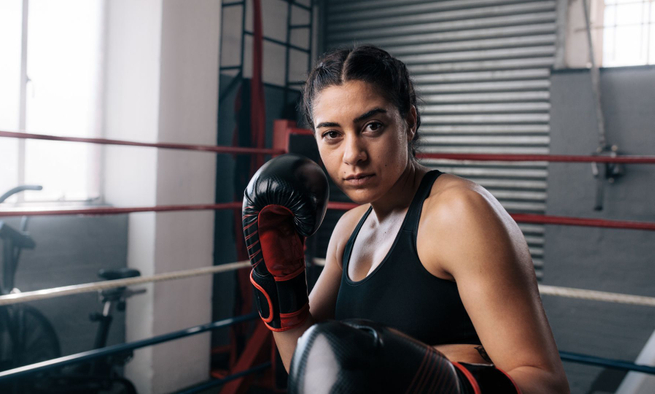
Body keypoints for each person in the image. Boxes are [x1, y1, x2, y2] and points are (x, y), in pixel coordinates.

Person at [242, 45, 569, 393]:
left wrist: (440, 383)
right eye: (332, 134)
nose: (353, 154)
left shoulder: (458, 214)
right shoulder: (349, 229)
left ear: (409, 122)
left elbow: (546, 384)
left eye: (372, 126)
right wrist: (280, 288)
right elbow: (307, 370)